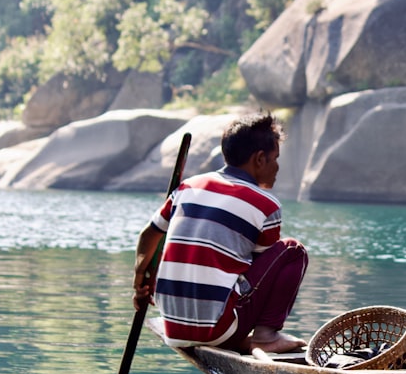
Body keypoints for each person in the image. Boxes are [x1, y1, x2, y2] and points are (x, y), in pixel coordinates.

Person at [132, 112, 308, 354]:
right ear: (259, 159)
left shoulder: (187, 187)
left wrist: (141, 279)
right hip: (215, 330)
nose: (278, 166)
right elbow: (261, 276)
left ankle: (237, 335)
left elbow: (149, 235)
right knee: (292, 251)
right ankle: (266, 337)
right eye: (275, 158)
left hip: (172, 326)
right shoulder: (266, 205)